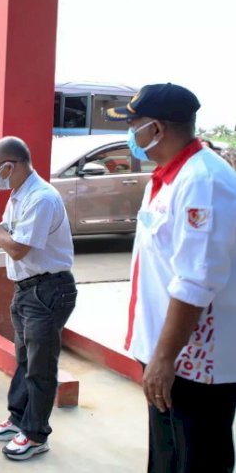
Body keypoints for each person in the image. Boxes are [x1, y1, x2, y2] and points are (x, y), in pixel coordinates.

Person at [106, 83, 236, 472]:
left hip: (193, 362)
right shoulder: (167, 177)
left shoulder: (203, 181)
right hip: (168, 353)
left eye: (133, 125)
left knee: (196, 458)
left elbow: (196, 281)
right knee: (167, 457)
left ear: (157, 129)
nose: (130, 134)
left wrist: (164, 357)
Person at [0, 137, 76, 461]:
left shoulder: (41, 198)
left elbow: (16, 247)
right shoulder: (18, 195)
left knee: (40, 367)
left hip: (48, 291)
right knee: (25, 362)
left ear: (11, 165)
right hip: (27, 289)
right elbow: (6, 237)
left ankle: (35, 435)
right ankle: (18, 419)